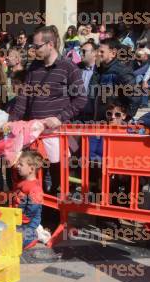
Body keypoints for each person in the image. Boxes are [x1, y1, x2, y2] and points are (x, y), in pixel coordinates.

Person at [9, 25, 87, 195]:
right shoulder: (33, 68)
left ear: (50, 44)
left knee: (56, 177)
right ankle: (36, 214)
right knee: (33, 177)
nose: (34, 50)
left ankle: (56, 214)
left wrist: (60, 117)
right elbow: (24, 98)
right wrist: (12, 121)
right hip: (34, 135)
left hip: (57, 134)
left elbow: (81, 99)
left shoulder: (69, 68)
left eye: (37, 46)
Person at [95, 38, 140, 122]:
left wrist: (125, 117)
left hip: (114, 122)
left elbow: (135, 96)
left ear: (113, 53)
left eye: (102, 52)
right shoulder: (99, 69)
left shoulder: (122, 71)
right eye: (98, 51)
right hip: (101, 120)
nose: (98, 54)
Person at [14, 151, 45, 249]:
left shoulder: (35, 188)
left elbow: (33, 208)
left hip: (28, 223)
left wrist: (23, 218)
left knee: (16, 242)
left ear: (31, 169)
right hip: (19, 218)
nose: (17, 166)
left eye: (21, 164)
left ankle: (33, 237)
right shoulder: (24, 182)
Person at [77, 40, 101, 122]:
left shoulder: (101, 70)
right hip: (76, 114)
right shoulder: (75, 68)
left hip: (93, 116)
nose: (81, 53)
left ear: (94, 53)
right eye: (80, 51)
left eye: (84, 51)